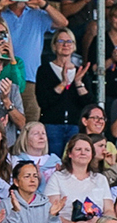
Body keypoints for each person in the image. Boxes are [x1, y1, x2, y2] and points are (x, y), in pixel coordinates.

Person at [0, 0, 69, 124]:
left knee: (30, 125)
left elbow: (63, 22)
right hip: (4, 77)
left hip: (31, 79)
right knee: (0, 123)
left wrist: (42, 3)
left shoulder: (37, 14)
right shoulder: (1, 15)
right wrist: (0, 5)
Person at [36, 29, 92, 157]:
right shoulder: (44, 70)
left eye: (69, 41)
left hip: (75, 126)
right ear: (54, 46)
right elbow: (43, 101)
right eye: (61, 41)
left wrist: (78, 82)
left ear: (74, 46)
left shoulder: (81, 72)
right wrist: (63, 83)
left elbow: (88, 103)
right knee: (52, 163)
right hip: (52, 126)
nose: (65, 45)